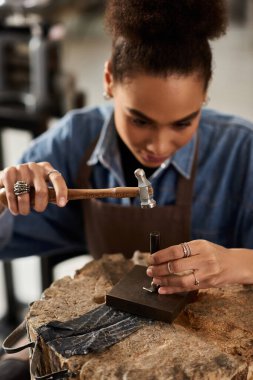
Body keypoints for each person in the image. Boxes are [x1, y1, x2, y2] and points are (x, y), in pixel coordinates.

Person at [1, 0, 253, 378]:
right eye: (139, 120)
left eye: (183, 123)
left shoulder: (241, 150)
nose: (158, 146)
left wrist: (236, 262)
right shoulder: (74, 141)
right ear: (108, 81)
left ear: (204, 95)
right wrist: (6, 197)